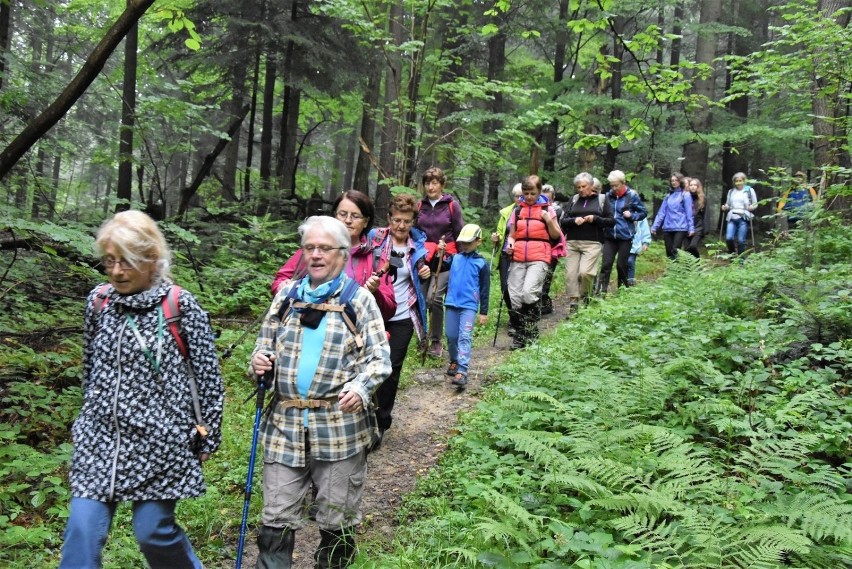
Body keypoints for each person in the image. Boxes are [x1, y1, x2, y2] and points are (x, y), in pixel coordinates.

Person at [60, 210, 224, 569]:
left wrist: (207, 437)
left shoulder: (180, 306)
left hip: (160, 443)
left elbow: (208, 378)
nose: (117, 271)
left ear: (152, 260)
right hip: (100, 439)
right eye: (110, 261)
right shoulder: (99, 302)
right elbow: (91, 367)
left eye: (127, 262)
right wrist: (87, 418)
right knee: (81, 533)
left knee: (153, 532)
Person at [250, 216, 391, 569]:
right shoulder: (286, 296)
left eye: (324, 248)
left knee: (336, 521)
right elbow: (262, 345)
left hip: (339, 426)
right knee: (275, 519)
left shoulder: (359, 301)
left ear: (342, 255)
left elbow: (379, 359)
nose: (315, 255)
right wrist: (259, 362)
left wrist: (360, 388)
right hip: (284, 423)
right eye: (309, 247)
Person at [272, 189, 396, 321]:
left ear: (366, 221)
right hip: (308, 326)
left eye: (355, 216)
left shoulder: (375, 256)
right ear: (335, 216)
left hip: (353, 333)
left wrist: (375, 292)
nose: (348, 220)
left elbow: (389, 310)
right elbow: (280, 281)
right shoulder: (314, 247)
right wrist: (282, 287)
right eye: (342, 214)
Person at [367, 194, 431, 447]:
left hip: (403, 315)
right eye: (396, 220)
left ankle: (381, 420)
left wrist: (423, 272)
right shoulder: (376, 239)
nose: (401, 226)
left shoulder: (419, 245)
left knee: (391, 370)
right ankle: (362, 416)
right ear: (389, 219)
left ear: (413, 220)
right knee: (367, 365)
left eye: (406, 221)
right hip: (373, 314)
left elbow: (419, 278)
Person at [506, 175, 563, 349]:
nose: (529, 197)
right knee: (514, 297)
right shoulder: (517, 211)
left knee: (529, 293)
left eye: (533, 193)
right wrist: (510, 243)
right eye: (526, 193)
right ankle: (523, 331)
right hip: (518, 257)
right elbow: (512, 234)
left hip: (539, 257)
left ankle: (527, 333)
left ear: (539, 191)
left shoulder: (548, 209)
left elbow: (556, 235)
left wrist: (547, 219)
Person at [414, 167, 465, 358]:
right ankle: (422, 337)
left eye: (434, 182)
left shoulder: (451, 205)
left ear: (442, 184)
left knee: (433, 298)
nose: (430, 186)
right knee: (420, 299)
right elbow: (415, 234)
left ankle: (436, 341)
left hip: (446, 258)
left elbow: (459, 232)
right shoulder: (419, 206)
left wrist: (461, 261)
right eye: (427, 183)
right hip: (424, 258)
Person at [559, 172, 615, 314]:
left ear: (591, 185)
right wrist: (573, 221)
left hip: (592, 242)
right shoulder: (573, 200)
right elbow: (563, 221)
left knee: (585, 273)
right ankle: (574, 304)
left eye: (584, 186)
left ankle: (586, 295)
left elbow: (611, 221)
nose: (581, 189)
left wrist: (595, 219)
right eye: (578, 187)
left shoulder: (602, 199)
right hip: (572, 242)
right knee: (571, 275)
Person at [444, 224, 490, 388]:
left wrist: (483, 311)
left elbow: (485, 289)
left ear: (478, 242)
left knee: (464, 336)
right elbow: (442, 265)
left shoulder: (482, 263)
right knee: (451, 336)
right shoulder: (455, 258)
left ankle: (462, 371)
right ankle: (454, 360)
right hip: (451, 303)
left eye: (469, 242)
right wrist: (440, 253)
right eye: (463, 242)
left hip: (469, 306)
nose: (465, 245)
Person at [597, 170, 647, 293]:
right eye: (612, 185)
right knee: (606, 265)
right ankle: (601, 293)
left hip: (625, 236)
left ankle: (622, 291)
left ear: (623, 183)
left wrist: (632, 216)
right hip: (609, 236)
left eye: (616, 185)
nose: (614, 188)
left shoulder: (632, 196)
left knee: (621, 265)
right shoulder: (608, 196)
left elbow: (643, 212)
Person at [490, 183, 523, 336]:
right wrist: (495, 238)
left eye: (521, 196)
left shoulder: (529, 212)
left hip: (520, 256)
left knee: (517, 289)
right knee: (505, 288)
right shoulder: (507, 213)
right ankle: (513, 317)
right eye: (516, 196)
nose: (519, 199)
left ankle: (519, 320)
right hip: (505, 255)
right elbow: (500, 232)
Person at [650, 172, 694, 259]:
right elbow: (661, 212)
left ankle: (676, 271)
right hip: (668, 227)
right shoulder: (668, 196)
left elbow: (689, 213)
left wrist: (691, 228)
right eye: (672, 180)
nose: (674, 182)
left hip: (680, 227)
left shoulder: (685, 195)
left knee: (675, 250)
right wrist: (655, 226)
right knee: (669, 252)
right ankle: (672, 271)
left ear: (680, 181)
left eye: (676, 180)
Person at [539, 184, 566, 314]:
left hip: (553, 247)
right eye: (543, 199)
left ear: (553, 198)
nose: (546, 203)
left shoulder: (556, 210)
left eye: (548, 200)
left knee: (547, 277)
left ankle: (544, 302)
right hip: (539, 249)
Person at [721, 172, 758, 255]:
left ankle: (741, 260)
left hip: (743, 217)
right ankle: (733, 255)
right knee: (729, 238)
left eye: (740, 180)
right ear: (734, 182)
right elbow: (728, 204)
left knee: (741, 240)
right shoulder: (731, 191)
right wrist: (725, 207)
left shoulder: (749, 190)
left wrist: (752, 207)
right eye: (736, 181)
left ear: (744, 181)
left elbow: (755, 203)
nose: (738, 182)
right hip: (732, 217)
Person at [683, 177, 707, 258]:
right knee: (686, 249)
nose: (693, 187)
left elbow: (706, 214)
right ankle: (692, 268)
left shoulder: (703, 198)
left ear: (698, 187)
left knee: (692, 246)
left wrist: (705, 229)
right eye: (691, 185)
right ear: (688, 186)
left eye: (695, 185)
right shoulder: (685, 197)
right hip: (687, 227)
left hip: (698, 227)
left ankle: (697, 263)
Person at [627, 213, 651, 286]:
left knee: (630, 261)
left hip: (635, 243)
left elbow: (645, 228)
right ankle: (623, 281)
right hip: (622, 241)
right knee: (622, 264)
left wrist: (645, 242)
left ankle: (630, 282)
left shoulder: (640, 212)